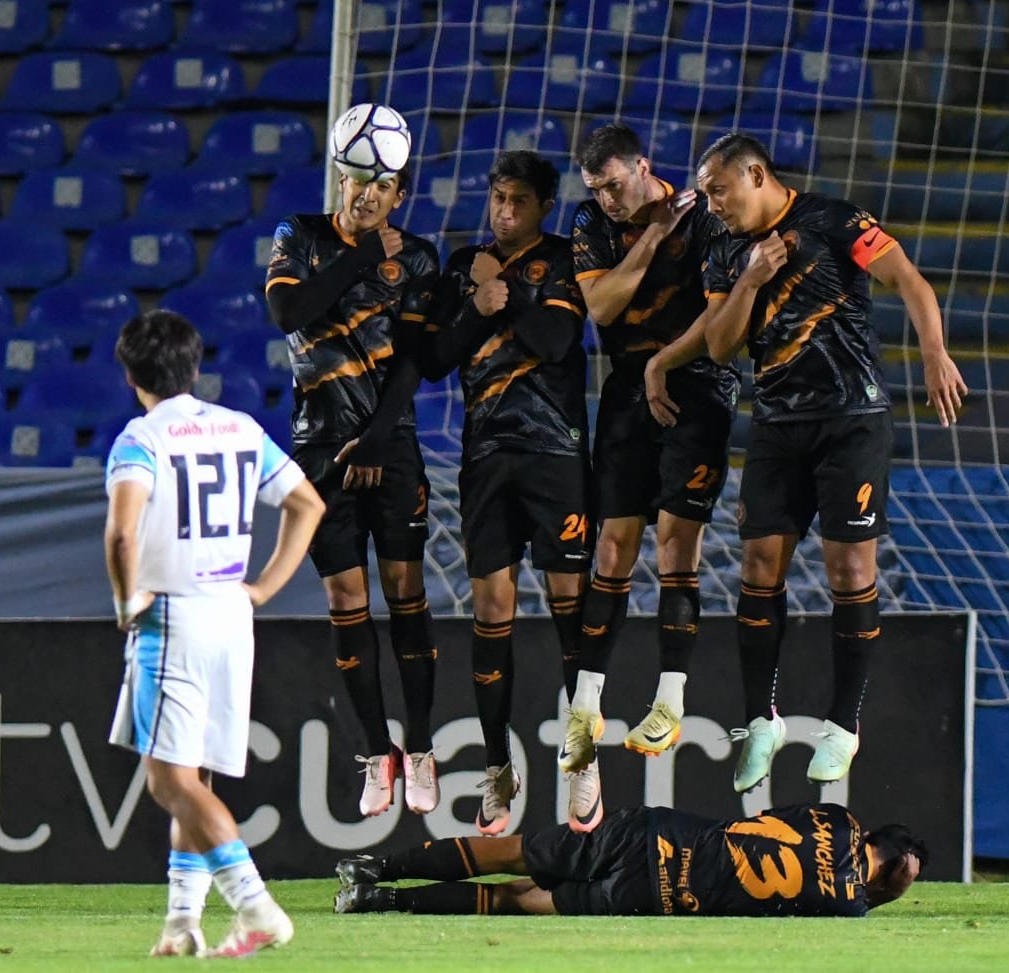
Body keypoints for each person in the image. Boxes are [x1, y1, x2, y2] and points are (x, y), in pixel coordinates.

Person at [696, 134, 967, 790]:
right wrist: (752, 277)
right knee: (758, 568)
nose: (712, 205)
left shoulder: (836, 219)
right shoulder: (725, 252)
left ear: (755, 174)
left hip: (852, 420)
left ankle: (843, 726)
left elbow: (908, 279)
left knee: (850, 570)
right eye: (705, 195)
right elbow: (720, 345)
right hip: (777, 425)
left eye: (718, 191)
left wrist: (933, 351)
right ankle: (761, 722)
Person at [104, 310, 324, 958]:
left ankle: (256, 907)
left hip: (173, 614)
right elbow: (307, 504)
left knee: (168, 782)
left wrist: (126, 600)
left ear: (130, 375)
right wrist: (264, 587)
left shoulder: (141, 438)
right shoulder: (240, 428)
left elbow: (122, 534)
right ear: (195, 367)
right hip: (231, 614)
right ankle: (181, 922)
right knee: (195, 778)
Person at [560, 124, 740, 810]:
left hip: (698, 386)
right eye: (596, 189)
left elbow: (721, 322)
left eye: (613, 184)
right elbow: (601, 305)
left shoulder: (705, 219)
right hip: (626, 390)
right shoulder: (593, 223)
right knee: (611, 546)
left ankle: (670, 699)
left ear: (642, 166)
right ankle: (586, 706)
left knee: (675, 543)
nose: (606, 199)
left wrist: (666, 363)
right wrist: (650, 237)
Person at [265, 143, 442, 818]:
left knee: (404, 590)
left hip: (389, 443)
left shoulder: (418, 258)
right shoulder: (299, 235)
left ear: (400, 194)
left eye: (384, 185)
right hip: (318, 448)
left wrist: (376, 436)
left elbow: (414, 360)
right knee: (345, 597)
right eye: (359, 179)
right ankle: (376, 750)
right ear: (341, 178)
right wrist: (362, 257)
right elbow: (290, 313)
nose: (369, 193)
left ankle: (419, 745)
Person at [421, 150, 593, 834]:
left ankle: (582, 762)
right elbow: (435, 358)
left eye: (519, 201)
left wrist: (510, 293)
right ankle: (497, 769)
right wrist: (476, 304)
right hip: (486, 457)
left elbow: (555, 339)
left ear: (545, 206)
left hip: (555, 455)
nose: (505, 212)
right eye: (498, 199)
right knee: (491, 609)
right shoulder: (465, 265)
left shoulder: (566, 258)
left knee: (570, 606)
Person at [333, 801, 925, 918]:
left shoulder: (836, 817)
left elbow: (772, 819)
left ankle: (377, 867)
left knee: (516, 853)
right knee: (519, 899)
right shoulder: (849, 904)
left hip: (655, 835)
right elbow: (852, 896)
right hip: (659, 897)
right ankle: (379, 901)